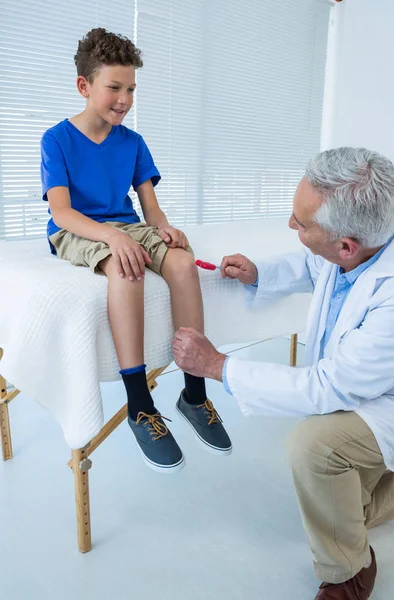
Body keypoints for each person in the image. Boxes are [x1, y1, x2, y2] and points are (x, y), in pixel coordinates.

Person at [172, 147, 394, 599]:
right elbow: (319, 264)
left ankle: (349, 571)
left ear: (347, 244)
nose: (291, 226)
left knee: (313, 448)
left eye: (301, 222)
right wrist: (260, 273)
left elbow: (328, 387)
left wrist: (218, 366)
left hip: (390, 402)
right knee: (343, 497)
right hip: (375, 384)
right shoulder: (368, 238)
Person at [40, 27, 231, 474]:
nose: (124, 99)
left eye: (131, 89)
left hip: (126, 225)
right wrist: (112, 238)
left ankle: (194, 392)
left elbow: (151, 210)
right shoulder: (57, 139)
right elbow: (62, 213)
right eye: (114, 88)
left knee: (183, 265)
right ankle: (139, 405)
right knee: (127, 270)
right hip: (78, 229)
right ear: (84, 86)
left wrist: (166, 231)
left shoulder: (133, 142)